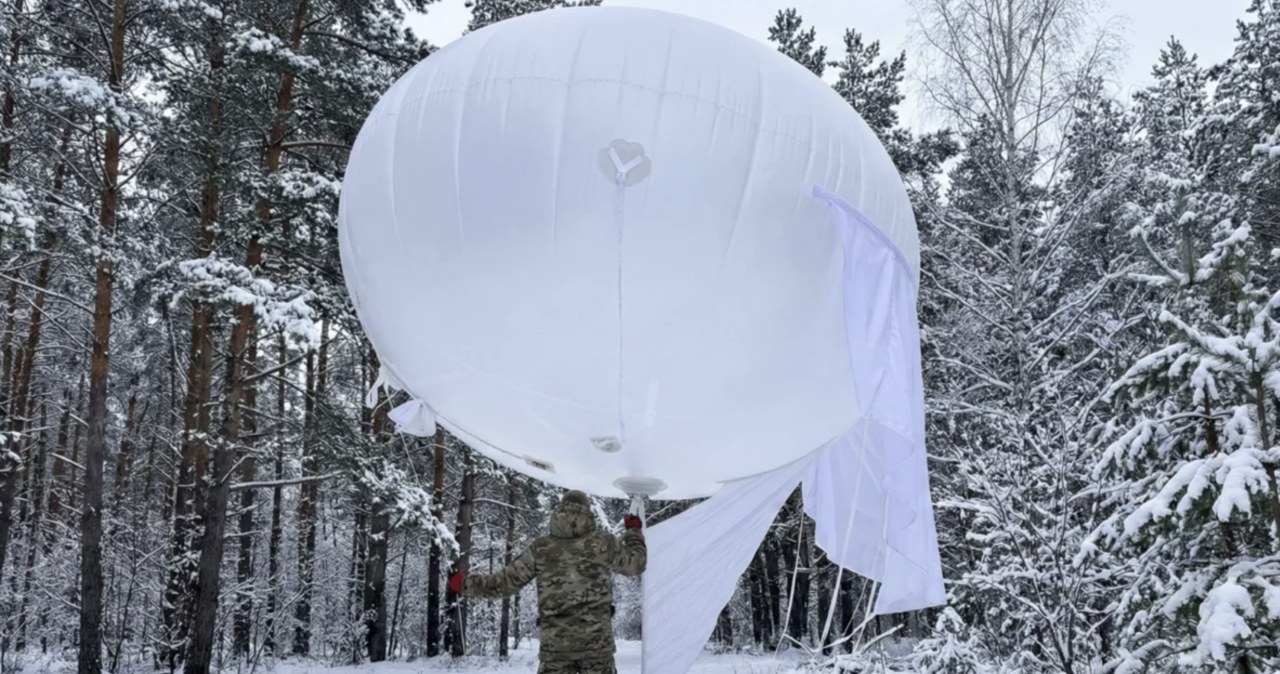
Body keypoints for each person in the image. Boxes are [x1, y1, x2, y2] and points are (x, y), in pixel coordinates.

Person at [449, 489, 646, 674]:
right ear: (587, 512)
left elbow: (504, 583)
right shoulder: (604, 543)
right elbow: (636, 564)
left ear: (559, 512)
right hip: (597, 649)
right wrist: (634, 531)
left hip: (555, 651)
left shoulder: (541, 549)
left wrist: (466, 583)